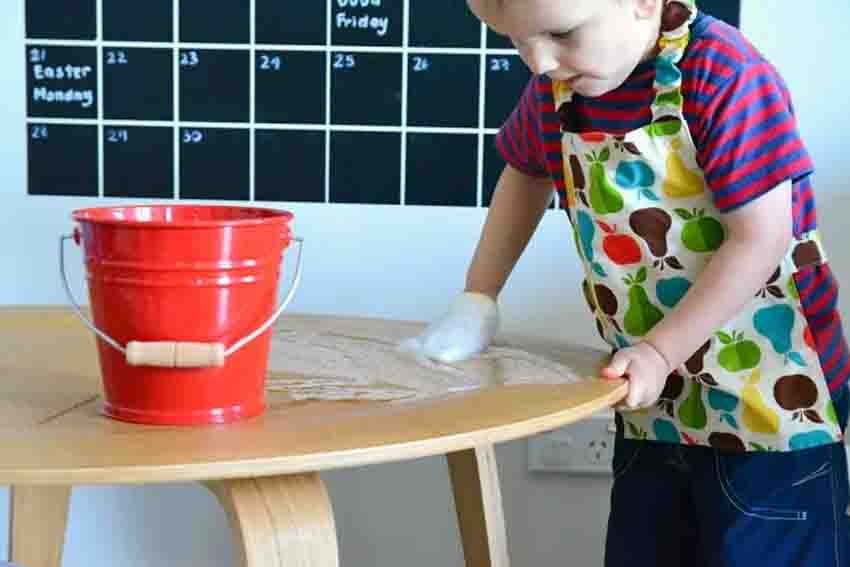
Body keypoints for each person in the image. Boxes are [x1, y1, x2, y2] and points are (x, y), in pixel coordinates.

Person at [399, 0, 850, 564]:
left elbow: (760, 239)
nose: (538, 62)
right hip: (652, 406)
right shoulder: (560, 89)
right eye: (518, 41)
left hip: (774, 408)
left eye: (561, 34)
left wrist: (661, 352)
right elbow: (524, 175)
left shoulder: (723, 73)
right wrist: (478, 295)